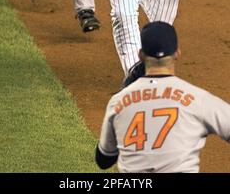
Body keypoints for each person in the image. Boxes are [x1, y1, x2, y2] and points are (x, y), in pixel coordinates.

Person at [95, 21, 230, 173]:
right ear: (177, 53)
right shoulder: (197, 99)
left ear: (141, 55)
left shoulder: (118, 101)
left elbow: (103, 160)